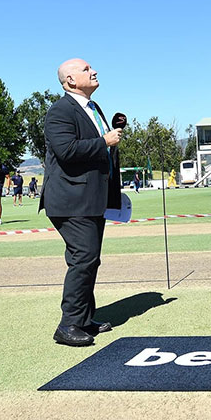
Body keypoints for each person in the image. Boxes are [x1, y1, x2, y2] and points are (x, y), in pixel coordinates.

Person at [40, 58, 123, 347]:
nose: (94, 71)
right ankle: (68, 325)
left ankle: (85, 319)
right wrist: (104, 142)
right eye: (86, 69)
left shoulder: (93, 108)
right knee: (83, 258)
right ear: (71, 81)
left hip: (91, 199)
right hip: (70, 200)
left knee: (89, 259)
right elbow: (66, 151)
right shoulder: (60, 111)